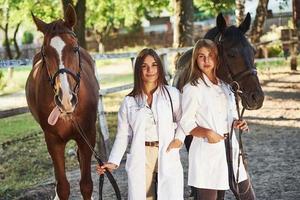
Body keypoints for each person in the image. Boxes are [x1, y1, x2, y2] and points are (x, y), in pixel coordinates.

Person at [96, 48, 185, 200]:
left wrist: (179, 139)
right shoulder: (129, 102)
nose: (150, 70)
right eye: (144, 66)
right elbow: (123, 135)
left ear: (160, 68)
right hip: (141, 154)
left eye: (154, 65)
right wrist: (113, 161)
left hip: (167, 151)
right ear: (138, 70)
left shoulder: (172, 94)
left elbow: (184, 119)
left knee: (170, 195)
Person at [180, 39, 256, 200]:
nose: (206, 61)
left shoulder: (225, 86)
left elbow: (230, 115)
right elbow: (186, 123)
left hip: (231, 149)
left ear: (217, 58)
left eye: (210, 55)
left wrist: (238, 122)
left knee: (248, 196)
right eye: (201, 56)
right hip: (207, 152)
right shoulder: (192, 88)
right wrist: (207, 133)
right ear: (195, 59)